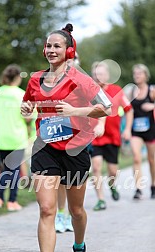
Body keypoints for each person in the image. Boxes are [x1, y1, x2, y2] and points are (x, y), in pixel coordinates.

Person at [21, 23, 112, 252]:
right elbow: (29, 106)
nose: (51, 50)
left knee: (76, 210)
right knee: (47, 209)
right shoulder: (35, 79)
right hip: (45, 148)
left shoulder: (81, 79)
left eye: (57, 46)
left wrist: (75, 112)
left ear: (68, 51)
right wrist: (26, 111)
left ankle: (79, 244)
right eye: (48, 46)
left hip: (75, 149)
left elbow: (107, 107)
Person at [90, 61, 133, 210]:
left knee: (112, 171)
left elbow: (129, 110)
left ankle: (112, 185)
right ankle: (101, 200)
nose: (98, 77)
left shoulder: (116, 90)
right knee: (96, 167)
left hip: (113, 136)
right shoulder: (89, 92)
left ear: (107, 75)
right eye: (95, 74)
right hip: (95, 136)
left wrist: (127, 129)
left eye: (101, 74)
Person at [0, 64, 29, 211]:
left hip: (1, 136)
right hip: (17, 137)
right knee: (14, 170)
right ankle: (12, 201)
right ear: (18, 77)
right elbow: (27, 117)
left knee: (4, 170)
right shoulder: (21, 94)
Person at [55, 52, 80, 233]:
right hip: (56, 138)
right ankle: (60, 215)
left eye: (72, 60)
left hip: (78, 139)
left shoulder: (82, 82)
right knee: (59, 182)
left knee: (72, 183)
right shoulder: (51, 80)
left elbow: (101, 107)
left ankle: (73, 215)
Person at [130, 64, 155, 199]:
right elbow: (125, 108)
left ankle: (153, 185)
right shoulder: (131, 91)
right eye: (135, 73)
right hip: (136, 130)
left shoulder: (151, 90)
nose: (137, 76)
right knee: (136, 157)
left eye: (139, 73)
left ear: (146, 75)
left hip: (150, 129)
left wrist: (152, 105)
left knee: (152, 160)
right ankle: (138, 189)